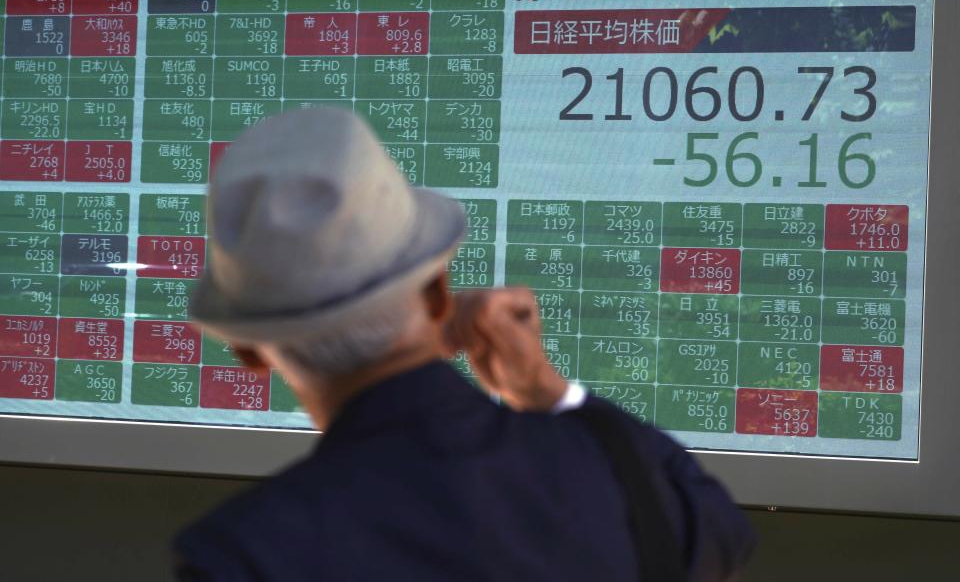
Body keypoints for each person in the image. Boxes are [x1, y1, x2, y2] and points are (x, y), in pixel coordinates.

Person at [174, 107, 755, 581]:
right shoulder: (614, 476)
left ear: (247, 350)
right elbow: (721, 532)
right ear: (437, 293)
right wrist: (546, 392)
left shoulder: (245, 555)